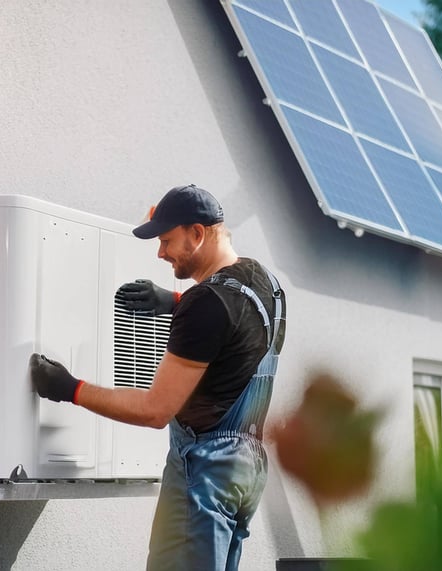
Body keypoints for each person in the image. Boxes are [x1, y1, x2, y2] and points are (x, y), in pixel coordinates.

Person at [29, 184, 286, 571]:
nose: (160, 253)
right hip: (245, 471)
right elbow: (237, 324)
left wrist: (70, 388)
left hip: (204, 470)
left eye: (167, 240)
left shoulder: (205, 305)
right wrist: (175, 301)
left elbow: (154, 411)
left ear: (197, 234)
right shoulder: (267, 284)